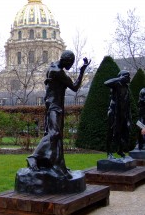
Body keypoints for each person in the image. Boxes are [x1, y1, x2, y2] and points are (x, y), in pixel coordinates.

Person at [26, 50, 90, 179]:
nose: (71, 66)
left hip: (55, 105)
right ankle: (33, 157)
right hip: (54, 106)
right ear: (66, 61)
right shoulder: (57, 72)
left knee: (57, 136)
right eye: (71, 63)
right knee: (54, 134)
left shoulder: (52, 66)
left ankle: (58, 165)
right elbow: (75, 87)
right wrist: (82, 71)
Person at [104, 70, 131, 159]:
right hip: (114, 112)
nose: (129, 78)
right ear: (122, 77)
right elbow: (106, 83)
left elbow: (128, 104)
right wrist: (119, 79)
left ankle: (120, 150)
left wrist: (128, 119)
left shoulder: (127, 88)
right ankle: (109, 153)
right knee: (111, 132)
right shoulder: (116, 84)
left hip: (123, 114)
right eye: (127, 76)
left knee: (123, 132)